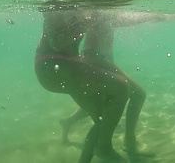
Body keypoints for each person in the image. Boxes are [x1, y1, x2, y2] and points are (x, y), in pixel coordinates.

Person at [58, 10, 171, 159]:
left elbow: (115, 21)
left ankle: (68, 122)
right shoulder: (97, 4)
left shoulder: (103, 4)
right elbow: (119, 20)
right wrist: (154, 15)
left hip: (99, 55)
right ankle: (130, 142)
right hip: (95, 56)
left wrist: (153, 16)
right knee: (138, 94)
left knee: (102, 106)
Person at [35, 10, 129, 163]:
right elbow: (57, 42)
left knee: (103, 118)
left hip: (65, 65)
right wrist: (85, 22)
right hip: (52, 66)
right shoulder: (57, 4)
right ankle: (104, 148)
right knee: (121, 87)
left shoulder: (77, 5)